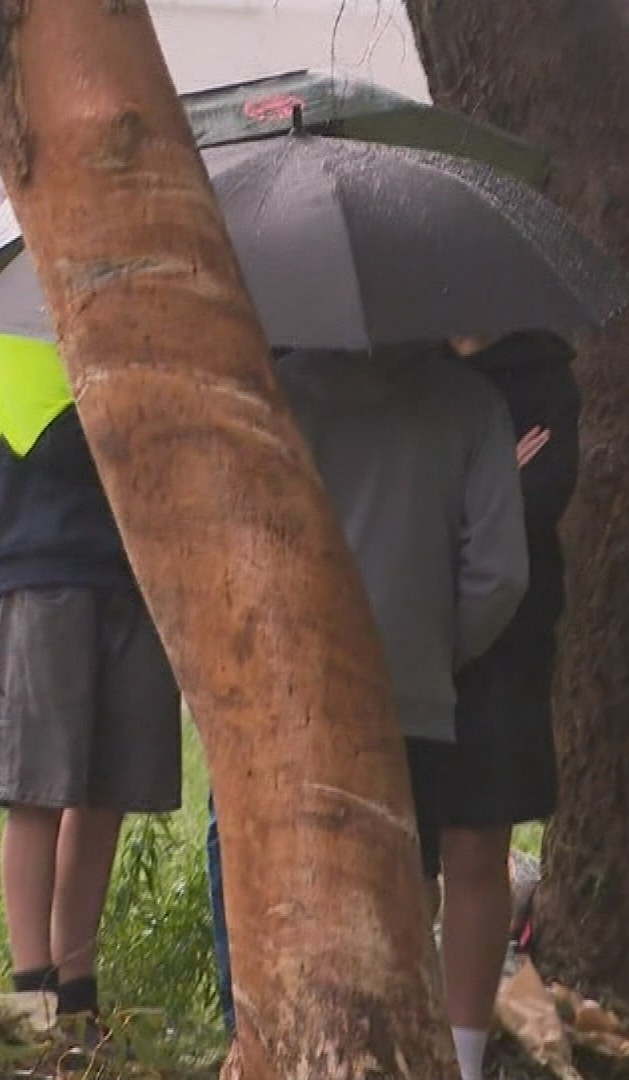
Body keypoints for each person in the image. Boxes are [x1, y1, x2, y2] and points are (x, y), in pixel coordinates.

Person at [206, 342, 530, 1052]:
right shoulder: (471, 403)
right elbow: (500, 574)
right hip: (412, 700)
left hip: (287, 697)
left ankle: (267, 1044)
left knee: (277, 880)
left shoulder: (274, 389)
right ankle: (389, 1050)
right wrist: (437, 651)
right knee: (402, 893)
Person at [0, 333, 183, 1032]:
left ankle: (77, 984)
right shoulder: (12, 319)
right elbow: (60, 436)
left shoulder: (146, 309)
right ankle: (28, 985)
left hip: (144, 566)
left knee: (106, 790)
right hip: (50, 562)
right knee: (39, 784)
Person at [433, 331, 581, 1080]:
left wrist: (460, 492)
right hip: (403, 640)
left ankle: (461, 1057)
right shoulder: (398, 359)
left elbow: (535, 501)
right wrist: (488, 479)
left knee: (478, 850)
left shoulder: (542, 371)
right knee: (395, 854)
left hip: (507, 648)